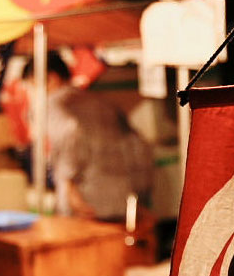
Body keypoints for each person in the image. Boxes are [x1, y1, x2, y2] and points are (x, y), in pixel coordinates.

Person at [30, 53, 154, 221]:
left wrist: (70, 188)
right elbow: (137, 144)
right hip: (122, 198)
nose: (31, 93)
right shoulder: (102, 102)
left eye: (32, 85)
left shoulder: (55, 103)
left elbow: (70, 136)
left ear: (51, 79)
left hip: (85, 201)